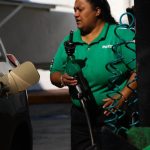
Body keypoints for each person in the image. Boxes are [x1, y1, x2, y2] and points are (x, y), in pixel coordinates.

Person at [50, 0, 137, 149]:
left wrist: (123, 95)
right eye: (74, 10)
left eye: (80, 9)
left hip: (114, 114)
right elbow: (54, 74)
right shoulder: (70, 40)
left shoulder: (119, 35)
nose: (76, 14)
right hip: (81, 116)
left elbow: (140, 69)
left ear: (97, 11)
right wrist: (62, 78)